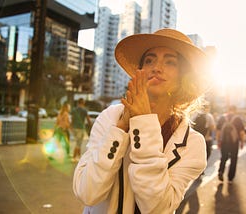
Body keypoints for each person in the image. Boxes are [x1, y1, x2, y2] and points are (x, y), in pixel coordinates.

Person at [73, 28, 208, 213]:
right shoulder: (110, 117)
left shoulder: (192, 144)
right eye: (149, 60)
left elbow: (157, 208)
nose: (156, 67)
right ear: (139, 71)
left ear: (183, 78)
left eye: (170, 62)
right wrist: (120, 129)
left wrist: (144, 124)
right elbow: (87, 193)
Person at [216, 105, 245, 183]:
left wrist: (218, 141)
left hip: (224, 142)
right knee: (233, 159)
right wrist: (242, 142)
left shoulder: (222, 118)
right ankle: (230, 178)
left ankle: (221, 171)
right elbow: (242, 132)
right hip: (234, 143)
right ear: (235, 111)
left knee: (224, 157)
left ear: (228, 110)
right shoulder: (238, 119)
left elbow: (218, 131)